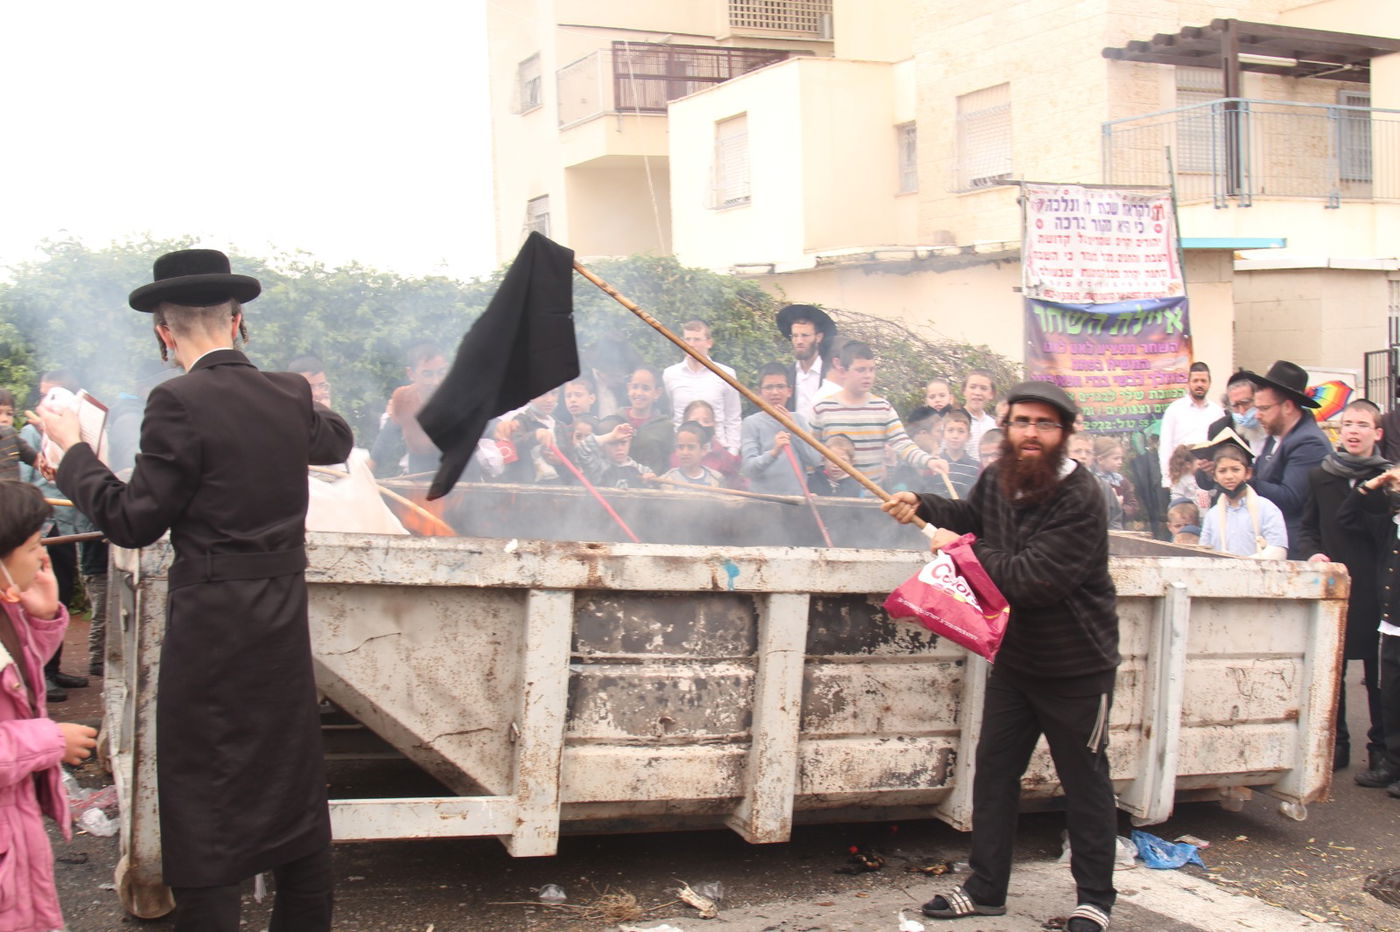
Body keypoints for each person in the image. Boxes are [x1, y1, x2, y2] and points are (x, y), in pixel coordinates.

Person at [45, 248, 352, 932]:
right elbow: (336, 440)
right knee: (292, 785)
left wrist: (73, 454)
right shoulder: (287, 392)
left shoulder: (176, 401)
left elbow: (132, 520)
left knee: (207, 799)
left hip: (213, 631)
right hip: (281, 624)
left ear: (163, 331)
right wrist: (268, 388)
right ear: (238, 320)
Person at [883, 381, 1119, 932]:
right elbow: (971, 515)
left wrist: (959, 548)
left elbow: (1031, 579)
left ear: (1065, 432)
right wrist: (922, 503)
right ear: (1007, 427)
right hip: (1016, 659)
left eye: (1044, 424)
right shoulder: (999, 477)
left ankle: (1095, 899)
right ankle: (985, 888)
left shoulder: (1082, 497)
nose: (1031, 433)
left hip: (1077, 665)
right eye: (1022, 422)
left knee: (1085, 782)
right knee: (994, 774)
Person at [0, 479, 98, 932]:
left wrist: (40, 617)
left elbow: (16, 687)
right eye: (34, 546)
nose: (43, 557)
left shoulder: (5, 610)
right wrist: (51, 740)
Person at [1296, 399, 1390, 771]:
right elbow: (1308, 527)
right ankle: (1337, 744)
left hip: (1377, 587)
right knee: (1333, 669)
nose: (1353, 431)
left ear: (1377, 433)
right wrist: (1313, 553)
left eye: (1362, 425)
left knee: (1378, 674)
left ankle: (1381, 748)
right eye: (1348, 423)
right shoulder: (1322, 475)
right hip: (1336, 584)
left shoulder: (1388, 478)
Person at [19, 371, 90, 703]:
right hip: (41, 527)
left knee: (60, 593)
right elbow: (23, 485)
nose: (44, 402)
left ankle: (53, 667)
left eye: (53, 394)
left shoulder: (78, 431)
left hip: (67, 524)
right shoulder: (30, 434)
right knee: (34, 601)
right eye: (43, 394)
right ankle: (39, 674)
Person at [1341, 463, 1400, 796]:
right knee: (1390, 698)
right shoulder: (1389, 526)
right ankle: (1393, 764)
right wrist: (1373, 483)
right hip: (1391, 627)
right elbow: (1347, 516)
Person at [810, 342, 939, 487]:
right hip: (833, 496)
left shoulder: (883, 408)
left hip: (871, 495)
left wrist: (929, 461)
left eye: (871, 369)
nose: (868, 376)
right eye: (861, 370)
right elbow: (811, 453)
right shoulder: (822, 408)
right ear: (843, 371)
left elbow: (902, 444)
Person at [1244, 360, 1331, 559]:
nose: (1257, 415)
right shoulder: (1275, 436)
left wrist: (1249, 481)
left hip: (1294, 550)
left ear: (1288, 407)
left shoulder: (1309, 442)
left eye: (1264, 408)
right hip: (1268, 543)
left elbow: (1291, 498)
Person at [1196, 431, 1288, 559]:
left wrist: (1241, 563)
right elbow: (1204, 555)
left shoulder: (1267, 509)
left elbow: (1278, 551)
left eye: (1235, 469)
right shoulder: (1212, 515)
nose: (1229, 476)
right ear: (1214, 476)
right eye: (1222, 471)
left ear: (1248, 473)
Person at [369, 342, 448, 478]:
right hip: (419, 468)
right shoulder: (403, 398)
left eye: (441, 372)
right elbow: (387, 437)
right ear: (411, 374)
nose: (436, 381)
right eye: (427, 374)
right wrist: (366, 473)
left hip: (459, 469)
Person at [662, 320, 742, 455]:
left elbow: (733, 418)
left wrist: (732, 452)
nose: (691, 344)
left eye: (697, 339)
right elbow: (670, 414)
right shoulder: (670, 375)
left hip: (717, 451)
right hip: (683, 452)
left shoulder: (726, 374)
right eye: (687, 339)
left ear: (709, 343)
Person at [741, 363, 821, 496]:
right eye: (769, 387)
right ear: (759, 393)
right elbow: (749, 469)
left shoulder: (798, 420)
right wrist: (774, 453)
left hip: (796, 499)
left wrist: (794, 430)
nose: (775, 392)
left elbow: (814, 460)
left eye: (780, 386)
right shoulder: (751, 423)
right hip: (762, 499)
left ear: (789, 391)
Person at [1157, 362, 1223, 488]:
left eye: (1203, 381)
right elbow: (1165, 446)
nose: (1199, 384)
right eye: (1195, 380)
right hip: (1181, 477)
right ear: (1188, 383)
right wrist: (1167, 479)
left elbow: (1221, 446)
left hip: (1209, 477)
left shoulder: (1217, 412)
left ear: (1209, 383)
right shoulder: (1174, 409)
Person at [776, 304, 836, 421]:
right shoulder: (786, 375)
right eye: (795, 336)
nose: (799, 341)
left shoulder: (832, 374)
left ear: (818, 337)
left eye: (805, 336)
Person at [679, 399, 741, 485]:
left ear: (714, 424)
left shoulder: (725, 458)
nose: (701, 425)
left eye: (706, 421)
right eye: (695, 421)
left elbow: (736, 484)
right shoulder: (678, 456)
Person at [1090, 437, 1140, 531]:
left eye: (1121, 458)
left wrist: (1120, 507)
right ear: (1100, 459)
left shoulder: (1122, 481)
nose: (1120, 462)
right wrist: (1110, 504)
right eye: (1116, 458)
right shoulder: (1090, 481)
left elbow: (1133, 506)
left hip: (1116, 529)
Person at [661, 422, 725, 488]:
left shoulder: (716, 480)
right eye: (681, 447)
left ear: (703, 450)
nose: (685, 453)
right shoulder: (668, 480)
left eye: (691, 447)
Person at [940, 409, 980, 498]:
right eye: (950, 430)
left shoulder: (975, 466)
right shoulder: (936, 463)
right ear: (943, 435)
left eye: (961, 431)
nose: (955, 436)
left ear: (969, 436)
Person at [962, 369, 998, 451]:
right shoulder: (951, 421)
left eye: (983, 388)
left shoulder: (994, 425)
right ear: (964, 390)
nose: (977, 393)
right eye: (972, 387)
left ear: (991, 394)